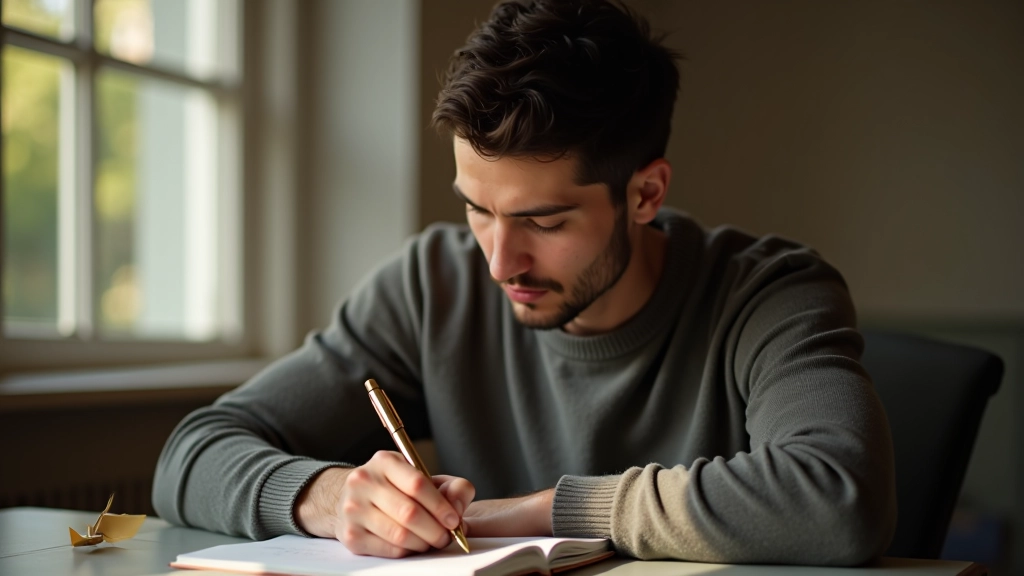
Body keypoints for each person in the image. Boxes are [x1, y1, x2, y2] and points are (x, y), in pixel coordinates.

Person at [153, 0, 897, 565]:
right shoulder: (431, 285)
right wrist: (327, 498)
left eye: (543, 221)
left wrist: (544, 511)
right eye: (477, 209)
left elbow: (838, 497)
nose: (499, 261)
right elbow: (192, 453)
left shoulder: (770, 293)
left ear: (644, 194)